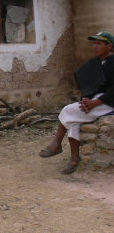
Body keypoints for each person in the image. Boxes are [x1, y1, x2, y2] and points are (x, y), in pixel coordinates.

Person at [39, 31, 114, 174]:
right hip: (97, 99)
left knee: (68, 110)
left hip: (109, 102)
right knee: (74, 122)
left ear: (109, 46)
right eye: (94, 43)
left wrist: (95, 103)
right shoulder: (97, 62)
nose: (95, 47)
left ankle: (56, 144)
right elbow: (91, 85)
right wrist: (86, 99)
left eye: (99, 43)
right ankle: (74, 159)